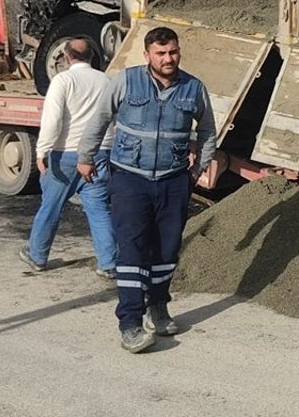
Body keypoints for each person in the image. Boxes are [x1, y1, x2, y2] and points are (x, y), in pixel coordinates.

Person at [78, 26, 215, 354]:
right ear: (147, 55)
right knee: (133, 252)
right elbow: (99, 119)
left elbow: (208, 129)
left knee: (166, 251)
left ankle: (158, 308)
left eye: (173, 52)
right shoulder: (126, 81)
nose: (168, 59)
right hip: (129, 179)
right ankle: (130, 324)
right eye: (161, 53)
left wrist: (199, 168)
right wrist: (85, 156)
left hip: (173, 181)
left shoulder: (193, 88)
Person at [19, 38, 116, 278]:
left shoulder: (63, 80)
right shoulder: (107, 81)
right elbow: (114, 118)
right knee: (99, 209)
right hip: (99, 154)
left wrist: (42, 150)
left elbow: (53, 119)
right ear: (93, 57)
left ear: (66, 57)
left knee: (51, 207)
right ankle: (108, 262)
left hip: (66, 155)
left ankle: (37, 256)